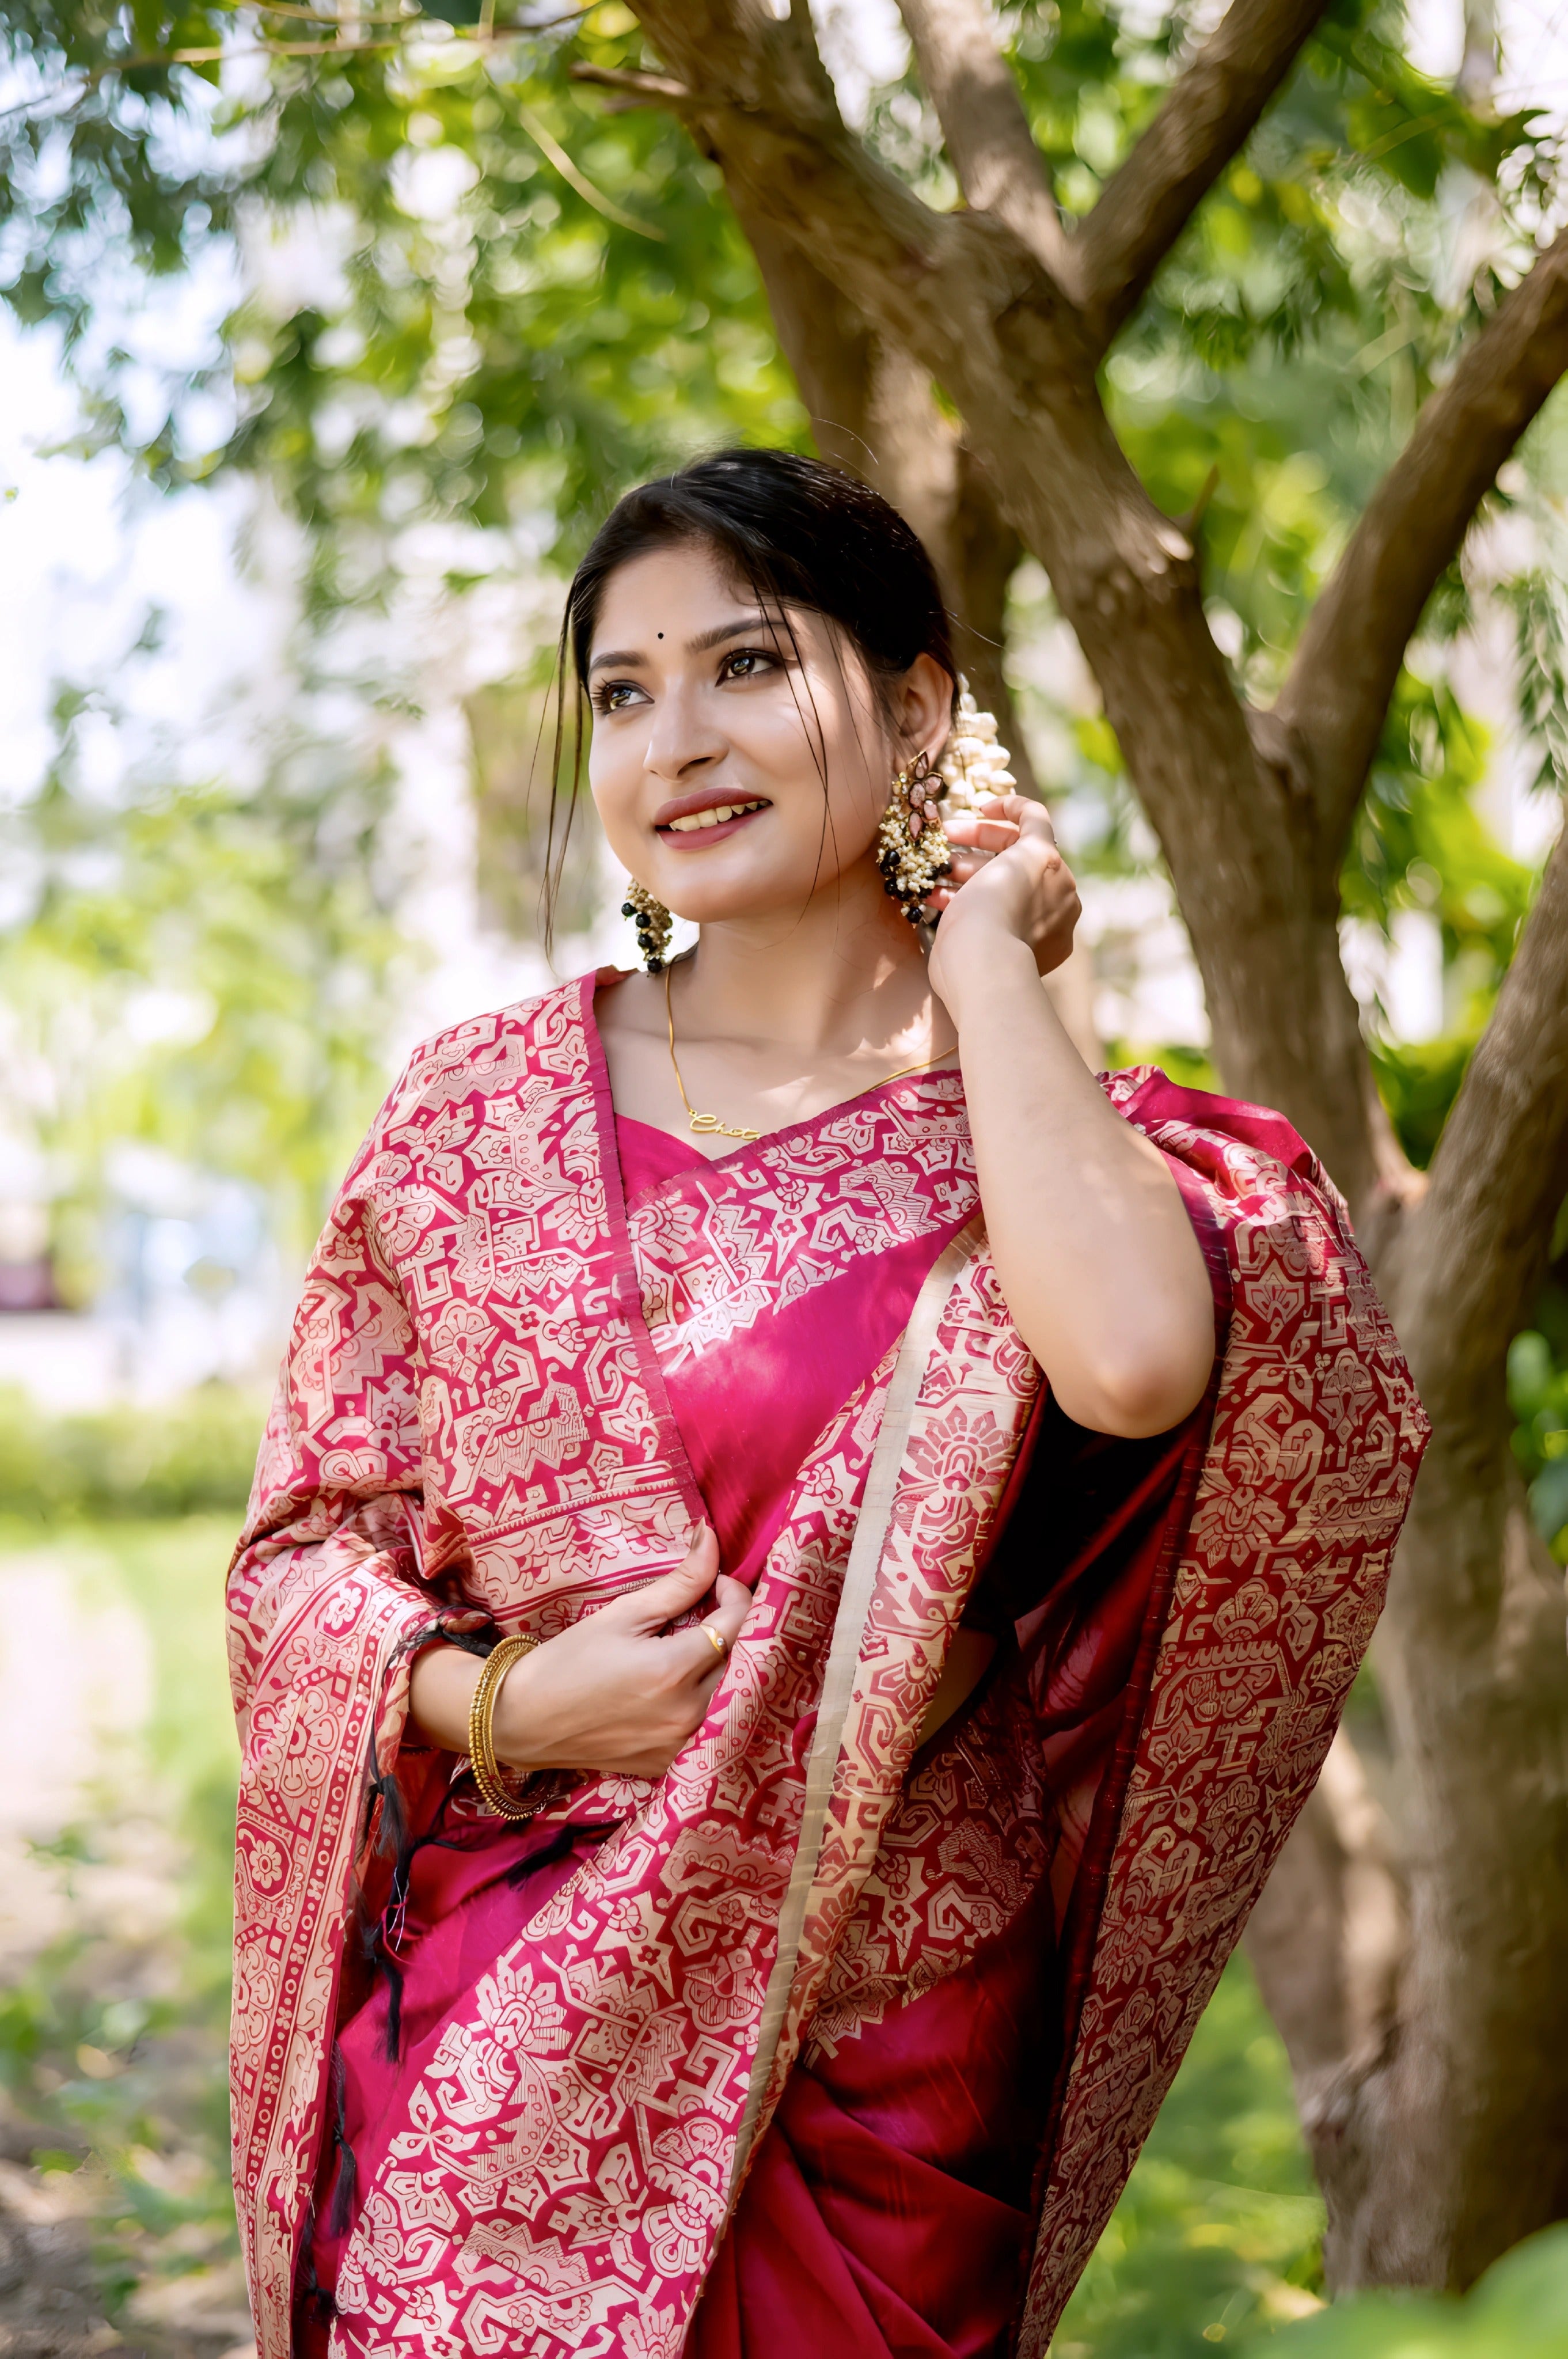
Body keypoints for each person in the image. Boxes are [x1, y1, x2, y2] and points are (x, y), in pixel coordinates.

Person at [227, 448, 1427, 2359]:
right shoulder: (472, 1117)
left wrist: (988, 962)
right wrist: (505, 1701)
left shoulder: (1049, 1139)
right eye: (623, 692)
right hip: (489, 2035)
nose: (674, 740)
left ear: (921, 706)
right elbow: (302, 1562)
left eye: (748, 666)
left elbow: (1132, 1361)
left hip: (873, 2043)